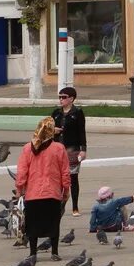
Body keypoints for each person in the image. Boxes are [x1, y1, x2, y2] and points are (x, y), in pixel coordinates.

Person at [15, 117, 70, 260]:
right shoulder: (58, 148)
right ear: (51, 131)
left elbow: (22, 171)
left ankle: (33, 253)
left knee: (32, 225)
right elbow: (65, 172)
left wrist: (19, 189)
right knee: (53, 224)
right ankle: (54, 253)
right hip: (52, 193)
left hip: (32, 194)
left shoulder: (27, 148)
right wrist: (66, 190)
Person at [51, 86, 87, 215]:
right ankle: (58, 205)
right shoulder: (56, 113)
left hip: (72, 150)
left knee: (72, 178)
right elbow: (48, 128)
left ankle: (75, 207)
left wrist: (83, 150)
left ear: (71, 99)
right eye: (60, 97)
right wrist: (53, 130)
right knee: (57, 178)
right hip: (56, 150)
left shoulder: (77, 113)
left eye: (64, 97)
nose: (61, 100)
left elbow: (81, 132)